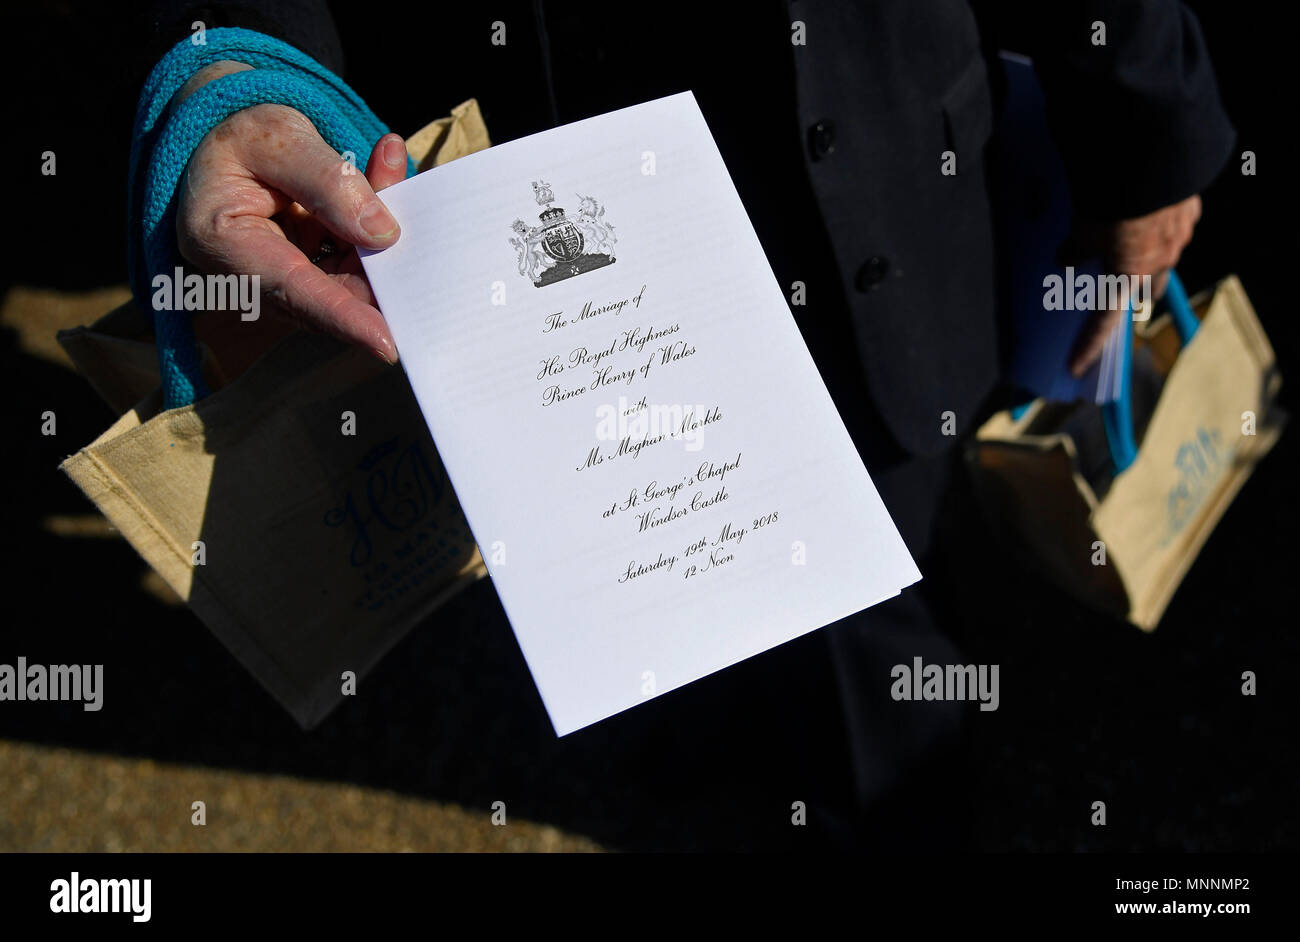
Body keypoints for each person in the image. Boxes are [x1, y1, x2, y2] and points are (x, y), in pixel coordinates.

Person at [130, 0, 1234, 846]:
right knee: (613, 603)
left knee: (866, 624)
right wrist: (235, 70)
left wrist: (1145, 120)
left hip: (858, 182)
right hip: (509, 188)